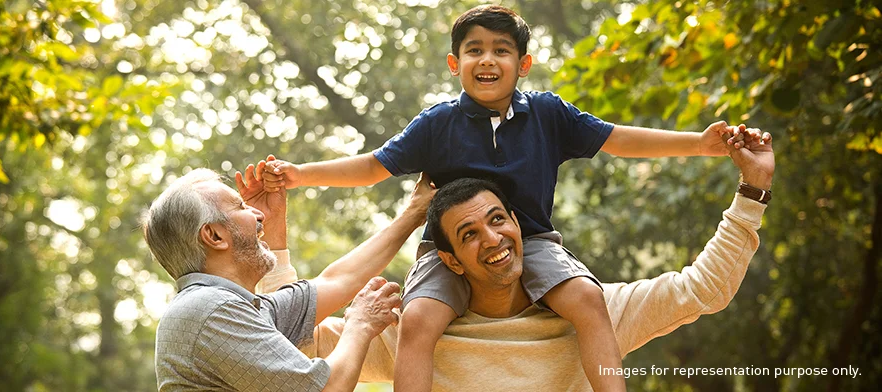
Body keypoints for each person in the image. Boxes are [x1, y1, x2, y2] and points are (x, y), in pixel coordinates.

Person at [262, 5, 749, 391]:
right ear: (455, 65)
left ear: (523, 64)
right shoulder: (437, 124)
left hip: (532, 239)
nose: (488, 60)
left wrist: (698, 145)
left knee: (586, 298)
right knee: (417, 320)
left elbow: (618, 139)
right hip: (447, 250)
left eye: (501, 50)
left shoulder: (548, 114)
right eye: (474, 51)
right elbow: (372, 168)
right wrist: (302, 174)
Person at [298, 128, 774, 391]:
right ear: (452, 261)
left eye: (499, 220)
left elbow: (703, 289)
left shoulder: (595, 314)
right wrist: (276, 228)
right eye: (469, 234)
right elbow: (290, 346)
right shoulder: (410, 332)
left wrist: (752, 191)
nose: (493, 238)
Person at [142, 156, 434, 391]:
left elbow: (337, 281)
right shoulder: (210, 310)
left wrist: (413, 214)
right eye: (240, 207)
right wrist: (359, 324)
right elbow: (325, 389)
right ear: (215, 236)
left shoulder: (236, 307)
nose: (260, 215)